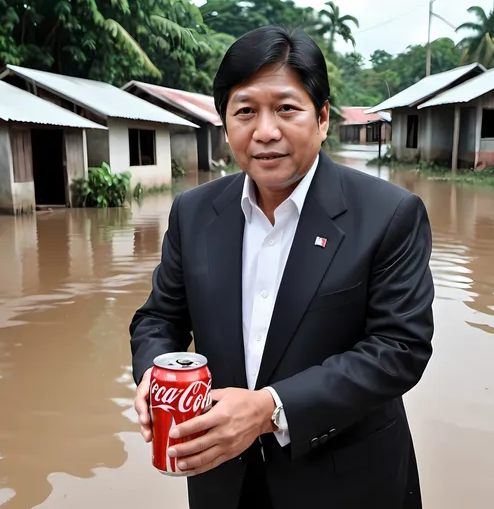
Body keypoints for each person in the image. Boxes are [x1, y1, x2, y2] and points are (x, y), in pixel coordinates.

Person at [130, 25, 435, 509]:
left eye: (286, 109)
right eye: (245, 111)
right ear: (225, 123)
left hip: (345, 482)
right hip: (221, 482)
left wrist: (270, 409)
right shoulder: (194, 212)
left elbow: (399, 349)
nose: (265, 131)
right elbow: (159, 318)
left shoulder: (389, 214)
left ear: (322, 117)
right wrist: (153, 371)